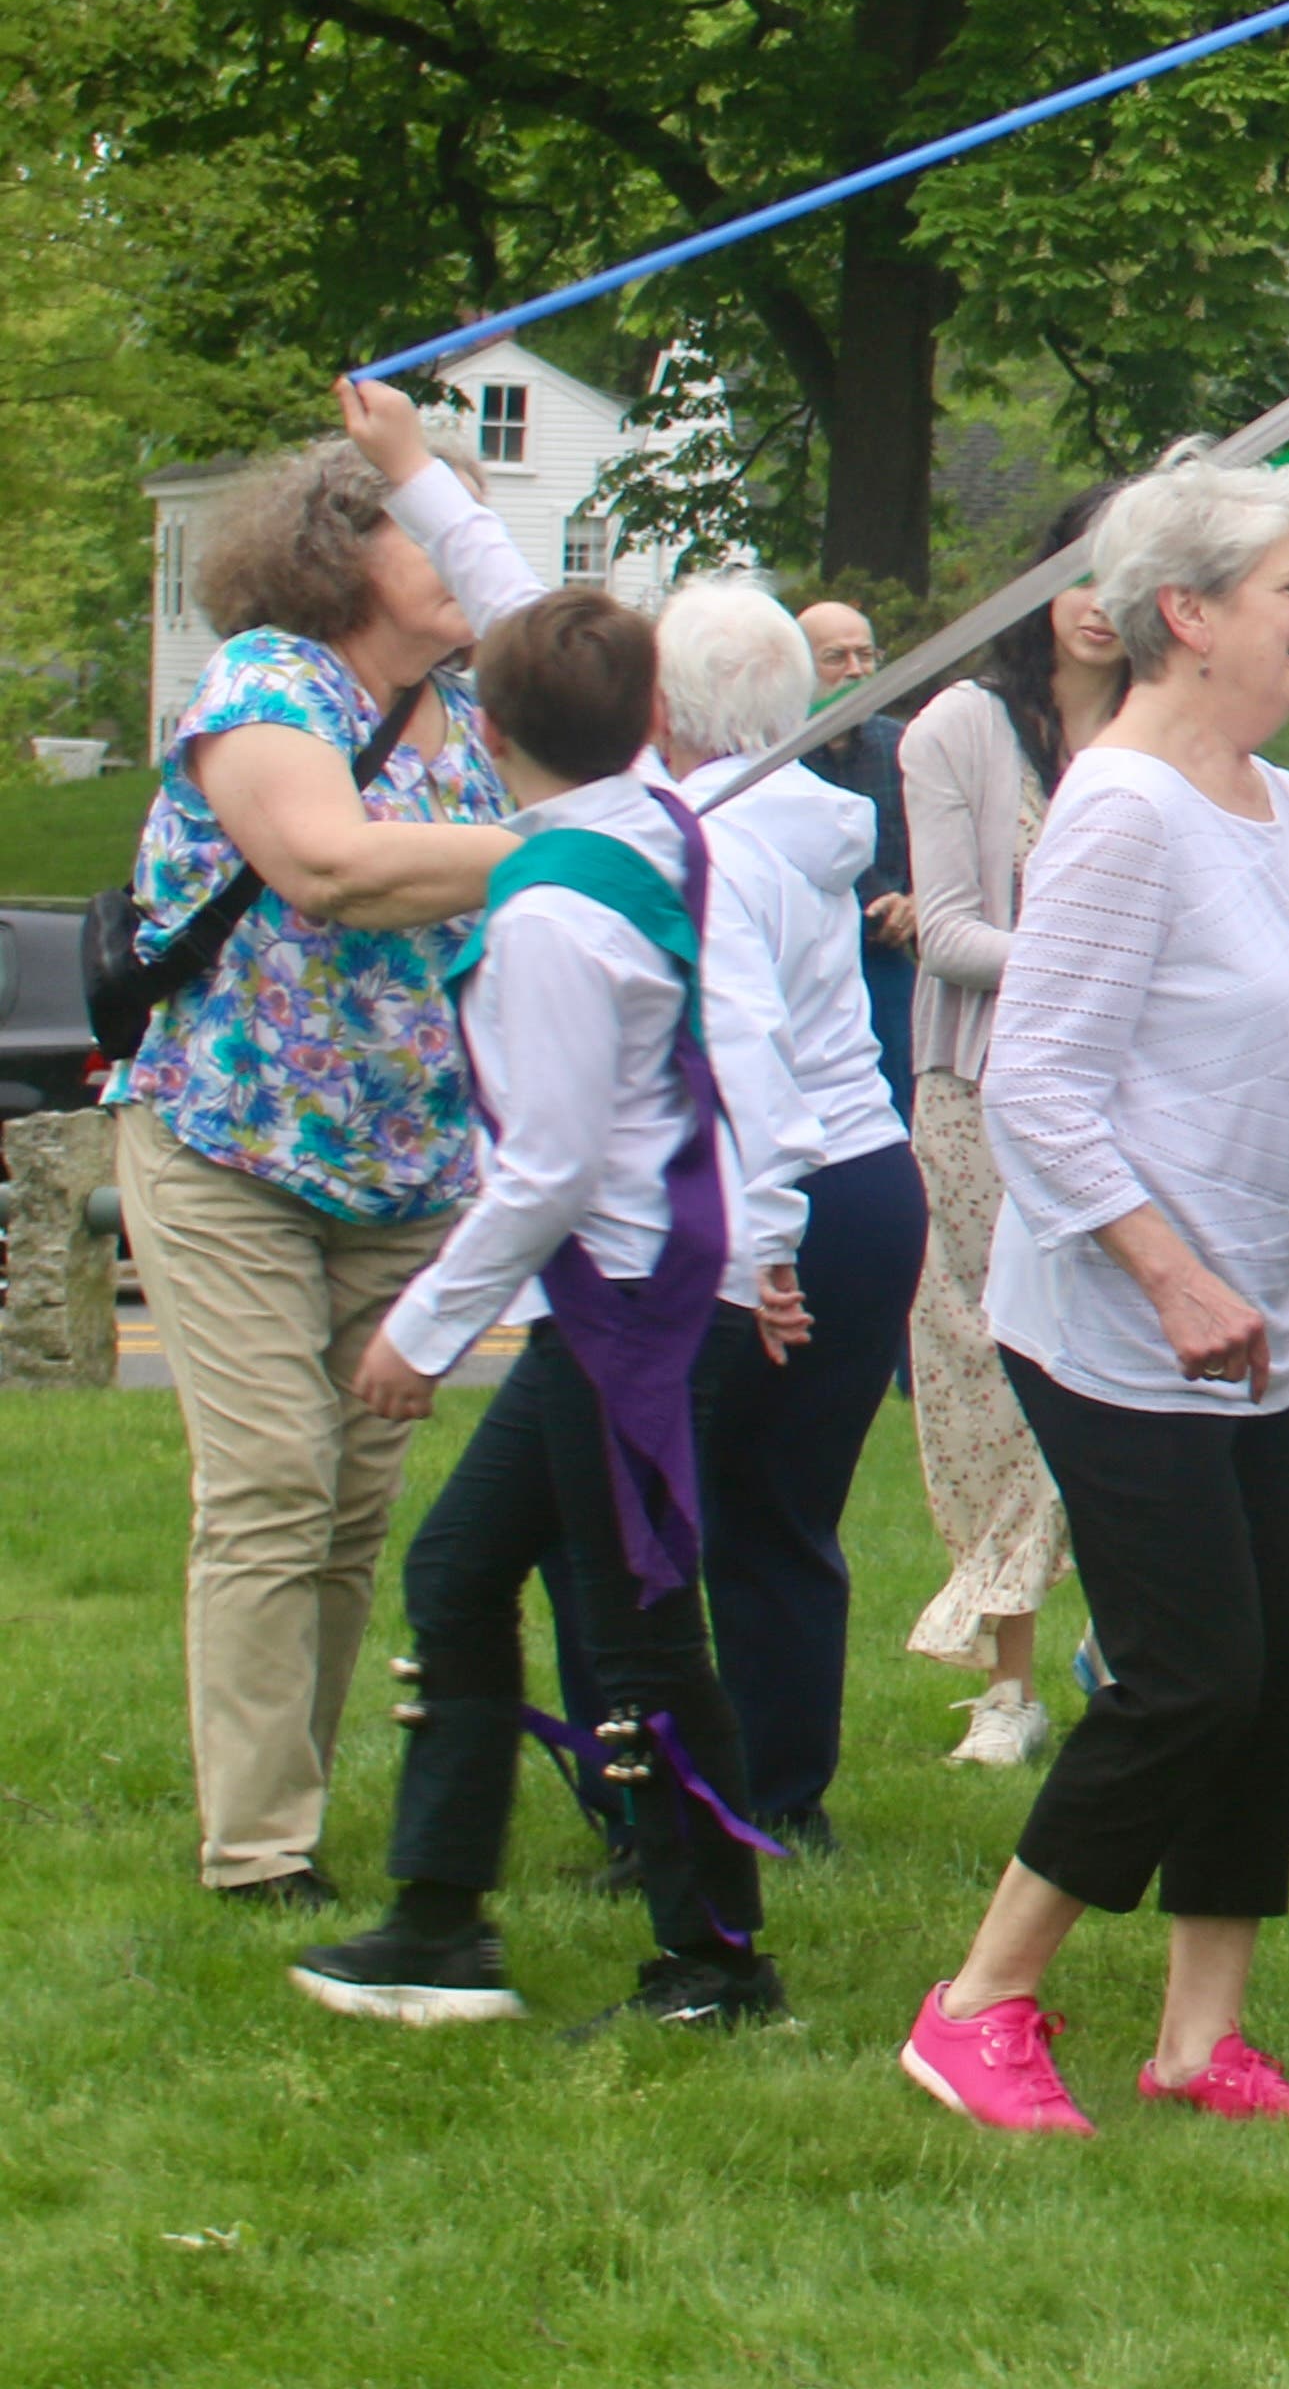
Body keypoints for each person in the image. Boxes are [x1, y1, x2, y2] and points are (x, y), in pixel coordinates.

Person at [902, 459, 1289, 2139]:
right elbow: (1042, 1087)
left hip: (1256, 1330)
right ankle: (979, 2004)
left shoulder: (1280, 808)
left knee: (1270, 1680)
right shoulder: (1121, 809)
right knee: (1186, 1678)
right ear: (1189, 613)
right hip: (1116, 1325)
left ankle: (1195, 2038)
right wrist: (1167, 1274)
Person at [288, 590, 816, 2031]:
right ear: (654, 723)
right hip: (653, 1282)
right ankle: (437, 1918)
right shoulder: (652, 827)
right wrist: (765, 1230)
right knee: (461, 1572)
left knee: (643, 1631)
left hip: (632, 1301)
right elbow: (733, 1037)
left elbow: (551, 1163)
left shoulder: (550, 908)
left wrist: (422, 1329)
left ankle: (715, 1962)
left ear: (486, 728)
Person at [112, 376, 533, 1906]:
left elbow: (623, 767)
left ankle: (290, 1801)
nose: (457, 544)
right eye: (427, 525)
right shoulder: (264, 688)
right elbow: (327, 867)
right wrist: (544, 847)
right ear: (346, 550)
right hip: (227, 1143)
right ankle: (257, 1851)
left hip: (410, 1165)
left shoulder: (476, 720)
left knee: (353, 1502)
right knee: (275, 1482)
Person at [646, 581, 932, 1849]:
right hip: (870, 1178)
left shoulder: (700, 840)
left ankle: (696, 1797)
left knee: (668, 1511)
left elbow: (741, 1043)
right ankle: (779, 1790)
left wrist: (759, 1241)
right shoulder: (805, 818)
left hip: (779, 1185)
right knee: (783, 1516)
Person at [897, 486, 1118, 1770]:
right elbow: (949, 930)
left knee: (1116, 1367)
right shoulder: (962, 730)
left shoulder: (1168, 737)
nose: (1095, 601)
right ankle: (1010, 1681)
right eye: (1074, 568)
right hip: (978, 1096)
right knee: (986, 1376)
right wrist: (1099, 966)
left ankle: (1131, 1630)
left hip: (1130, 1105)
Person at [799, 594, 921, 1095]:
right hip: (809, 970)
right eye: (836, 657)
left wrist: (918, 902)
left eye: (866, 656)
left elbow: (941, 850)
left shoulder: (906, 747)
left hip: (890, 962)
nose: (855, 670)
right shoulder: (773, 761)